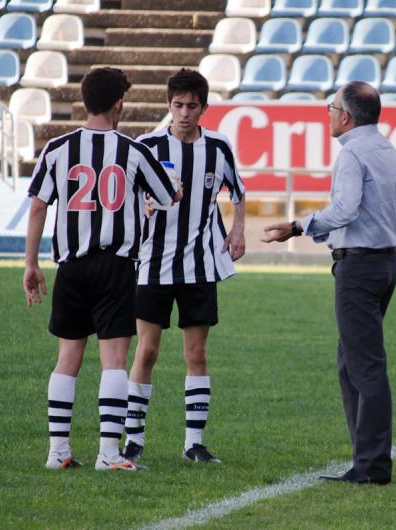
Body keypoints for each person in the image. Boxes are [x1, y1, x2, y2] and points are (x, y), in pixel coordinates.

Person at [22, 67, 181, 472]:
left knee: (67, 357)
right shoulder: (133, 151)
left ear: (84, 99)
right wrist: (173, 189)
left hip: (70, 266)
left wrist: (30, 263)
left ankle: (57, 452)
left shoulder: (57, 148)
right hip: (116, 266)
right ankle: (109, 454)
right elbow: (165, 196)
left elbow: (38, 204)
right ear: (118, 104)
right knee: (113, 359)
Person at [262, 81, 396, 485]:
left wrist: (296, 226)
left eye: (331, 105)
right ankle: (366, 458)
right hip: (384, 264)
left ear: (346, 116)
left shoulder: (353, 153)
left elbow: (344, 210)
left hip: (359, 269)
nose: (327, 111)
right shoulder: (388, 151)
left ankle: (372, 466)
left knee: (365, 367)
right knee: (352, 362)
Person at [121, 68, 246, 465]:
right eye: (178, 105)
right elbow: (126, 194)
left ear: (204, 108)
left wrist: (238, 230)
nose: (185, 113)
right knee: (147, 352)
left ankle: (194, 444)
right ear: (168, 105)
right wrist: (138, 208)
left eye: (193, 106)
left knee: (197, 354)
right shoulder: (148, 146)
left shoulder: (219, 147)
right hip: (152, 264)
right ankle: (133, 441)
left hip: (200, 265)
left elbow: (239, 193)